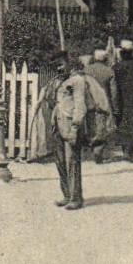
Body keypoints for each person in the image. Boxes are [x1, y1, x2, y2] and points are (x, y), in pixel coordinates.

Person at [52, 59, 113, 210]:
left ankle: (76, 198)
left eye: (61, 65)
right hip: (59, 126)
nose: (59, 68)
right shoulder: (63, 81)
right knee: (60, 162)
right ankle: (66, 195)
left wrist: (75, 128)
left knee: (71, 161)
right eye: (57, 66)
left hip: (71, 126)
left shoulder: (78, 81)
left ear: (71, 66)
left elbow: (80, 106)